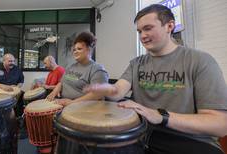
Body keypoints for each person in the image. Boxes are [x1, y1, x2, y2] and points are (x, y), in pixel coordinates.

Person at [84, 4, 227, 154]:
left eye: (148, 28)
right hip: (142, 136)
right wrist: (106, 89)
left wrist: (161, 117)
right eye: (139, 31)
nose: (142, 36)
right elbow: (118, 90)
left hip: (190, 141)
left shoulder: (199, 60)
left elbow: (220, 124)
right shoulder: (136, 63)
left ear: (169, 26)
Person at [46, 31, 109, 106]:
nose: (75, 52)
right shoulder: (71, 67)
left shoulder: (97, 69)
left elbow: (98, 94)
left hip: (81, 108)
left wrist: (72, 103)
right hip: (63, 103)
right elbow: (61, 82)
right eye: (74, 50)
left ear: (89, 50)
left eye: (79, 49)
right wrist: (55, 91)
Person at [0, 53, 24, 118]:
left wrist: (17, 88)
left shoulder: (17, 69)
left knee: (23, 96)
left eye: (13, 61)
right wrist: (3, 86)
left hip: (12, 93)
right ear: (3, 61)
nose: (12, 63)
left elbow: (21, 81)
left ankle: (18, 117)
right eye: (10, 61)